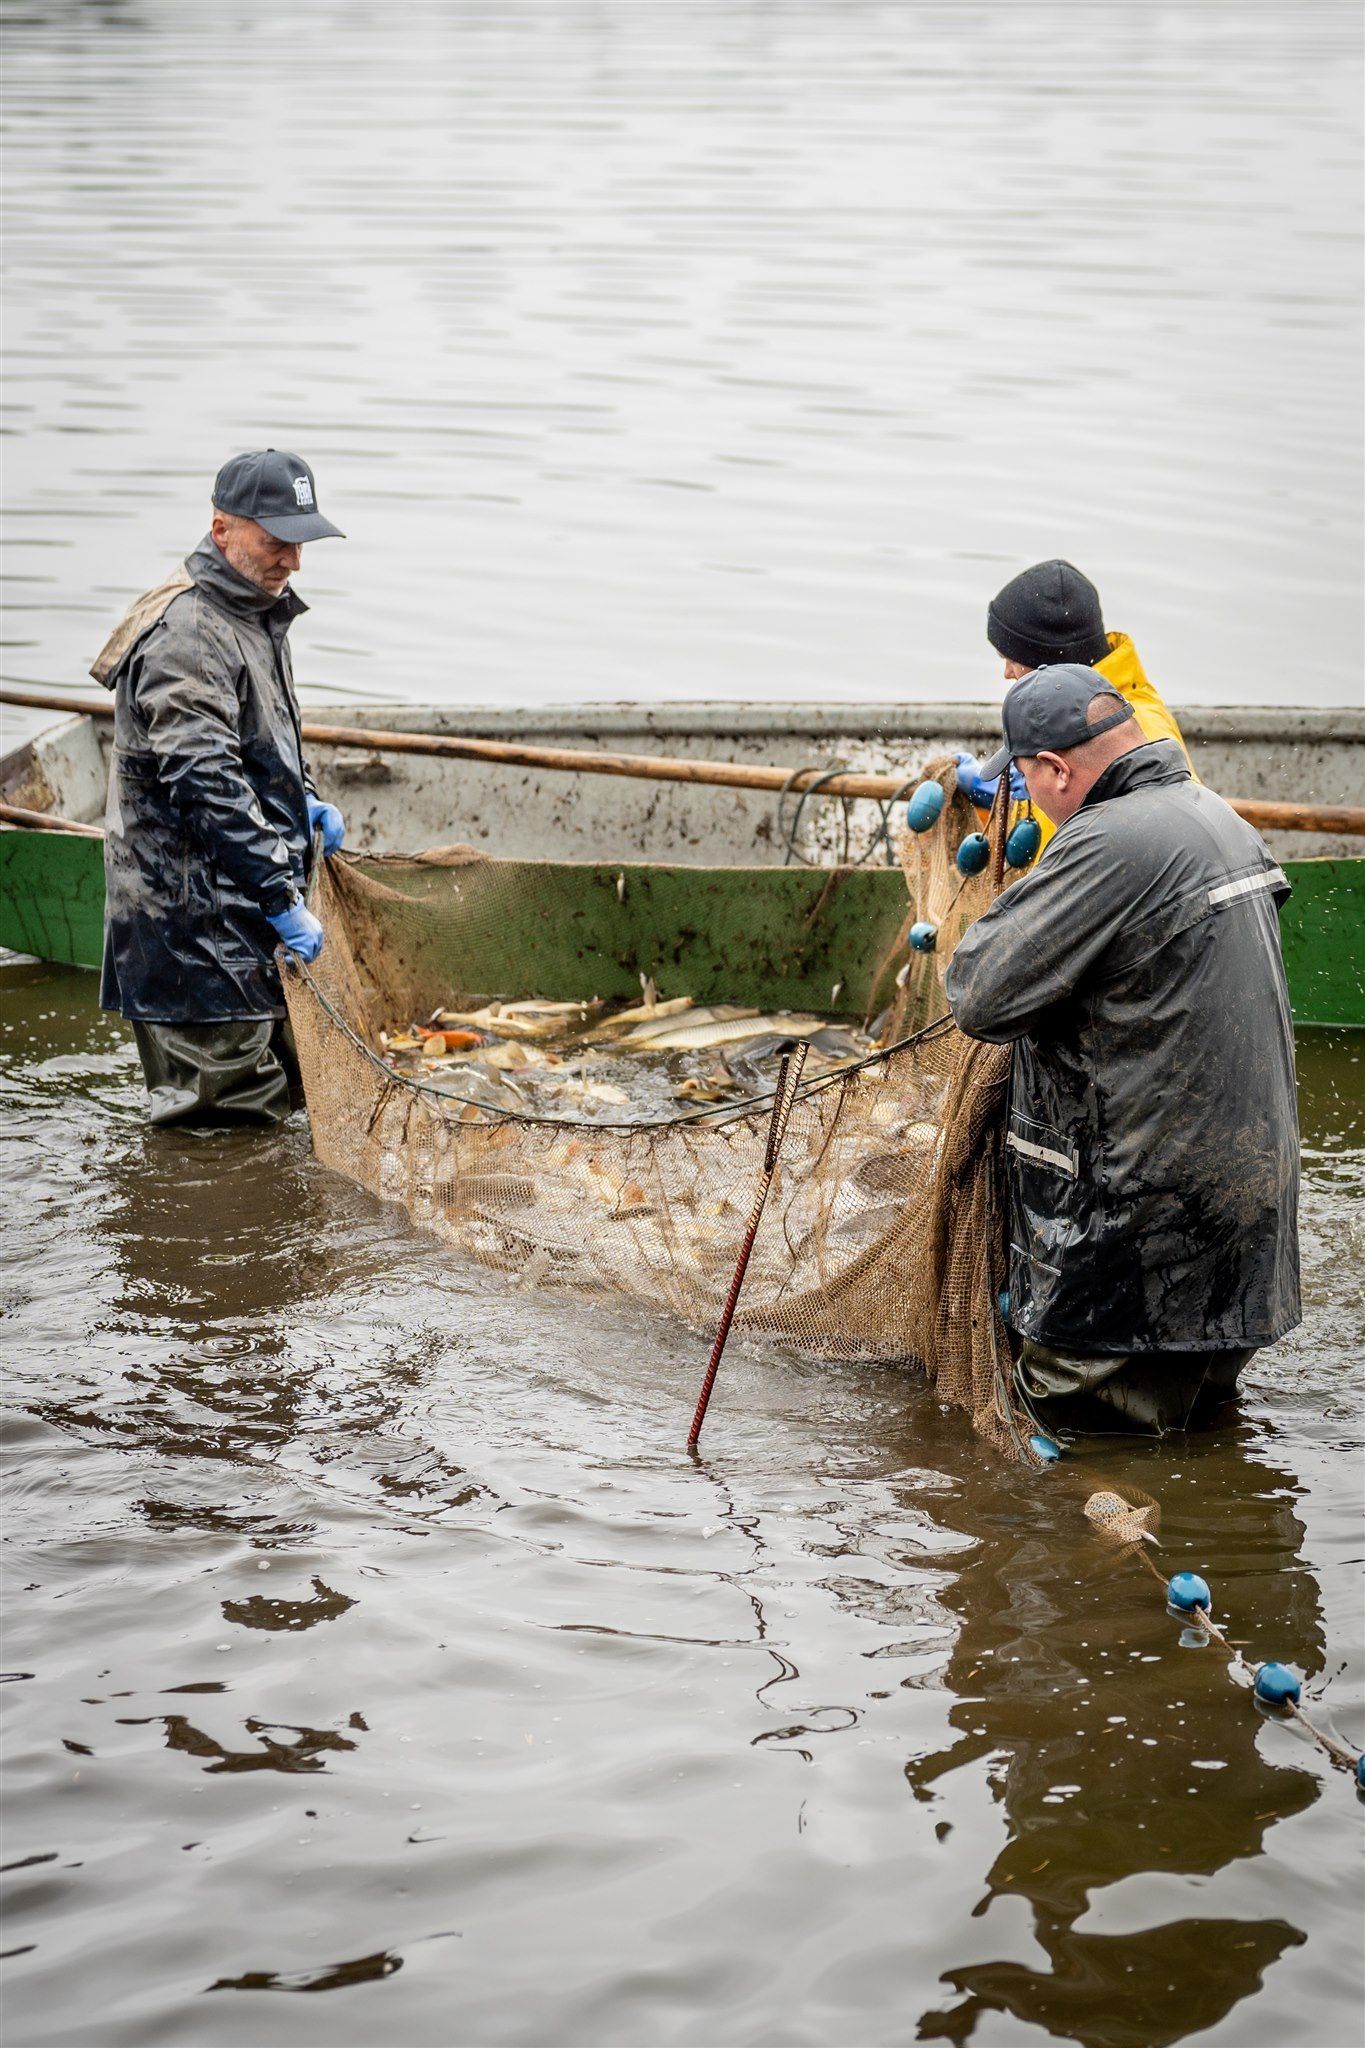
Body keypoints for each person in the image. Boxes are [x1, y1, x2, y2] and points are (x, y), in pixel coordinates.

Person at [943, 664, 1300, 1433]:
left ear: (1056, 769)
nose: (1030, 794)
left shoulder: (1107, 843)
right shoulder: (1217, 816)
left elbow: (978, 995)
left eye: (1028, 778)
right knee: (1199, 1444)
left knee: (1078, 1466)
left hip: (1133, 1239)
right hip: (1241, 1222)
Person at [91, 449, 347, 1127]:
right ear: (221, 527)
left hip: (243, 915)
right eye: (275, 542)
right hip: (190, 934)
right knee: (219, 1135)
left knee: (277, 1108)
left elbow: (262, 741)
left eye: (300, 543)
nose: (292, 561)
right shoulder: (190, 633)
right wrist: (279, 894)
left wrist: (303, 800)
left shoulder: (255, 609)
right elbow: (204, 781)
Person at [954, 559, 1193, 857]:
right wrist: (1015, 800)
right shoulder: (1071, 717)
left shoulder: (1133, 729)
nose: (1007, 673)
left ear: (1046, 661)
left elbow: (1168, 841)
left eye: (1012, 657)